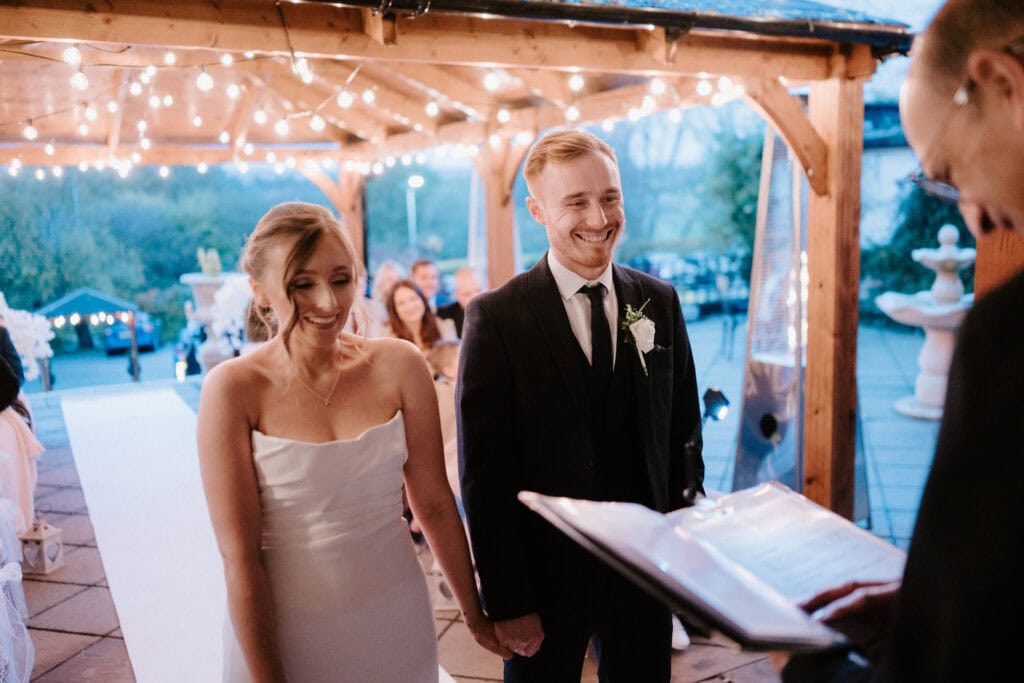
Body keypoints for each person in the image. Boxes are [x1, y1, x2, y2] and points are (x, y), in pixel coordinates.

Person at [778, 1, 1024, 680]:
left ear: (1002, 82)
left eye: (947, 171)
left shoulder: (1008, 336)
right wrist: (929, 601)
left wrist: (812, 663)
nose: (973, 212)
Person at [196, 201, 506, 682]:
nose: (328, 302)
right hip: (282, 624)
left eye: (341, 280)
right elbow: (240, 556)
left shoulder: (399, 365)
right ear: (259, 291)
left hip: (394, 613)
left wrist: (475, 615)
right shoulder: (233, 389)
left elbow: (434, 502)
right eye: (302, 284)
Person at [458, 128, 705, 682]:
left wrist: (681, 548)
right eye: (576, 202)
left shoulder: (658, 302)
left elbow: (682, 434)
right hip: (543, 584)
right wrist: (508, 599)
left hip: (644, 574)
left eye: (610, 197)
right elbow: (484, 475)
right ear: (538, 210)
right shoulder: (496, 318)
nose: (599, 217)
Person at [383, 279, 457, 354]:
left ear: (422, 300)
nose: (410, 306)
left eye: (413, 299)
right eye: (401, 303)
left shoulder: (443, 327)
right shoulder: (387, 338)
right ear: (394, 310)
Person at [437, 267, 486, 337]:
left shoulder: (499, 311)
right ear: (456, 295)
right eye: (467, 294)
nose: (476, 297)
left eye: (479, 290)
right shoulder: (444, 315)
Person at [368, 260, 406, 333]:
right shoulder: (374, 308)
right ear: (380, 282)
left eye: (397, 279)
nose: (393, 283)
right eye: (389, 280)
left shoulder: (406, 305)